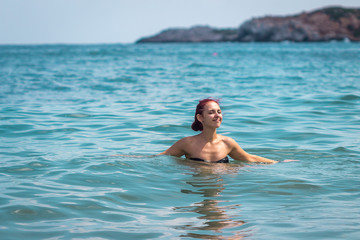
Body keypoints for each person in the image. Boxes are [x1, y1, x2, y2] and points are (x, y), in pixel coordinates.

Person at [159, 98, 281, 164]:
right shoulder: (187, 143)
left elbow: (250, 158)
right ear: (200, 117)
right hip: (197, 187)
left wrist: (278, 162)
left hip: (220, 187)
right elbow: (160, 158)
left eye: (219, 112)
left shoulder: (227, 143)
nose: (217, 115)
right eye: (211, 112)